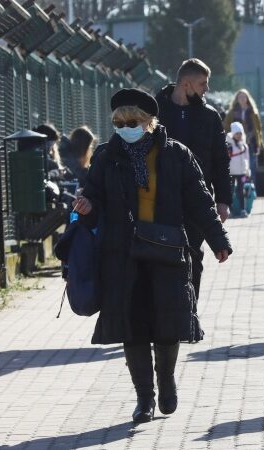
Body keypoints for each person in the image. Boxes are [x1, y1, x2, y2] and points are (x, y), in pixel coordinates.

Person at [72, 88, 232, 423]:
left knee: (168, 323)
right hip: (122, 255)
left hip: (168, 251)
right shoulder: (106, 156)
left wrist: (219, 239)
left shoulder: (176, 155)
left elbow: (200, 200)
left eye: (133, 121)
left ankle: (166, 378)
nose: (126, 127)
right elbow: (92, 201)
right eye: (119, 122)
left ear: (149, 122)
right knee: (133, 328)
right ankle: (144, 397)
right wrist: (86, 208)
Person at [156, 58, 231, 299]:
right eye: (202, 84)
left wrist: (223, 200)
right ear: (186, 84)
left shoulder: (210, 117)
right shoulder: (155, 111)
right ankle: (164, 314)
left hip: (198, 198)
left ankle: (189, 313)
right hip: (161, 197)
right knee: (163, 255)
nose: (206, 90)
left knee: (193, 256)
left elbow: (221, 161)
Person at [223, 88, 264, 175]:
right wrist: (229, 139)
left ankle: (251, 187)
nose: (242, 99)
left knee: (252, 167)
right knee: (238, 168)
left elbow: (258, 129)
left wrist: (260, 144)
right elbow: (226, 127)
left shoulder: (254, 112)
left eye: (244, 97)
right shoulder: (232, 112)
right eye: (240, 97)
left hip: (251, 143)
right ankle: (239, 187)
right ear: (237, 99)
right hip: (236, 144)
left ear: (248, 98)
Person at [227, 122, 251, 218]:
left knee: (241, 191)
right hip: (231, 172)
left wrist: (247, 171)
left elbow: (247, 158)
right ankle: (230, 210)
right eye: (237, 133)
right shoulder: (229, 145)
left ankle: (243, 209)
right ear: (233, 134)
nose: (239, 135)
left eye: (240, 133)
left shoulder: (244, 146)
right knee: (230, 191)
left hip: (242, 172)